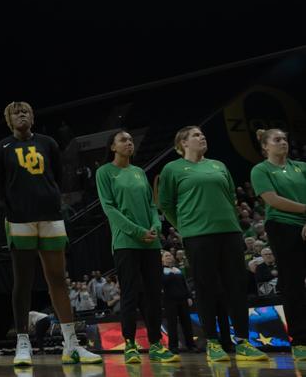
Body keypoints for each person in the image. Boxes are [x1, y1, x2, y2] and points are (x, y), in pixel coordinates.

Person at [0, 102, 101, 366]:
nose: (22, 114)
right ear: (8, 120)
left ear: (33, 116)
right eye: (16, 112)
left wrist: (49, 200)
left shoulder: (48, 142)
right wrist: (16, 207)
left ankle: (71, 344)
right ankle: (22, 343)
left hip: (51, 217)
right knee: (23, 281)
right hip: (20, 220)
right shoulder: (1, 148)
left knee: (58, 280)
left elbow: (58, 176)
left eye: (26, 111)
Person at [159, 126, 267, 363]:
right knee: (206, 289)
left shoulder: (219, 165)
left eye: (203, 134)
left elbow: (231, 197)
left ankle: (243, 342)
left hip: (229, 232)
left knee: (237, 288)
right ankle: (213, 343)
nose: (202, 137)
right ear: (183, 143)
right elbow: (166, 204)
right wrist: (185, 227)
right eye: (196, 135)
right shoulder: (172, 169)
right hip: (197, 236)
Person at [95, 130, 178, 364]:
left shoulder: (139, 172)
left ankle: (155, 344)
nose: (129, 143)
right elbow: (109, 209)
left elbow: (152, 205)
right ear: (112, 147)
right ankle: (130, 344)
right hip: (126, 243)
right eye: (123, 140)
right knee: (130, 295)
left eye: (131, 140)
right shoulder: (105, 172)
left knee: (154, 295)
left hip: (150, 243)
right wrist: (138, 231)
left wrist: (154, 225)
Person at [250, 128, 306, 361]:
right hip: (283, 227)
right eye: (277, 140)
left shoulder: (301, 166)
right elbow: (272, 199)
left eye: (285, 138)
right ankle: (301, 340)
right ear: (265, 146)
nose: (283, 142)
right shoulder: (261, 170)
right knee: (293, 283)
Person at [161, 250, 196, 353]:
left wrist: (189, 297)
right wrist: (171, 274)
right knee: (172, 324)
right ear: (162, 259)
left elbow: (184, 285)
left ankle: (191, 345)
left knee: (187, 323)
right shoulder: (161, 271)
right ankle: (173, 346)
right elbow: (162, 284)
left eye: (170, 255)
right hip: (170, 301)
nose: (169, 257)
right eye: (166, 256)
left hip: (182, 300)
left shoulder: (178, 270)